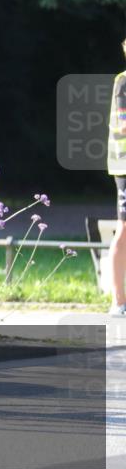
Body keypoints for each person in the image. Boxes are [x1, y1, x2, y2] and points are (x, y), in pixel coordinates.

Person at [108, 38, 126, 316]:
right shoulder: (123, 81)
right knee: (124, 231)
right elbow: (124, 124)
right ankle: (119, 302)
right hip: (125, 166)